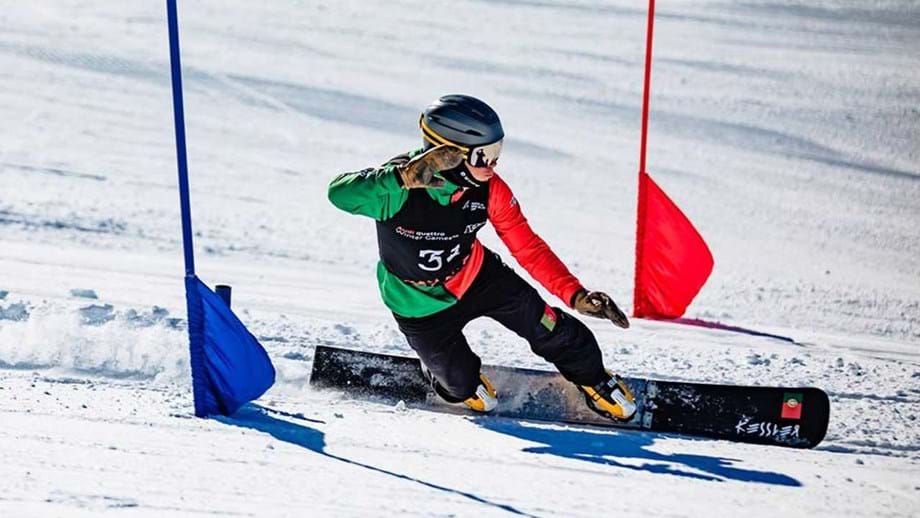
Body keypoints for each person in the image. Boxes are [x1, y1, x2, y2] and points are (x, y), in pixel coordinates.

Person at [327, 94, 636, 421]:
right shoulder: (396, 188)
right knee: (460, 386)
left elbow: (526, 245)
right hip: (417, 303)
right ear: (447, 154)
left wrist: (576, 294)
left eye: (496, 153)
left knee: (551, 328)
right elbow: (338, 192)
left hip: (478, 277)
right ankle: (446, 379)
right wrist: (400, 178)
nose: (493, 165)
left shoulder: (490, 189)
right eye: (483, 156)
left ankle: (595, 380)